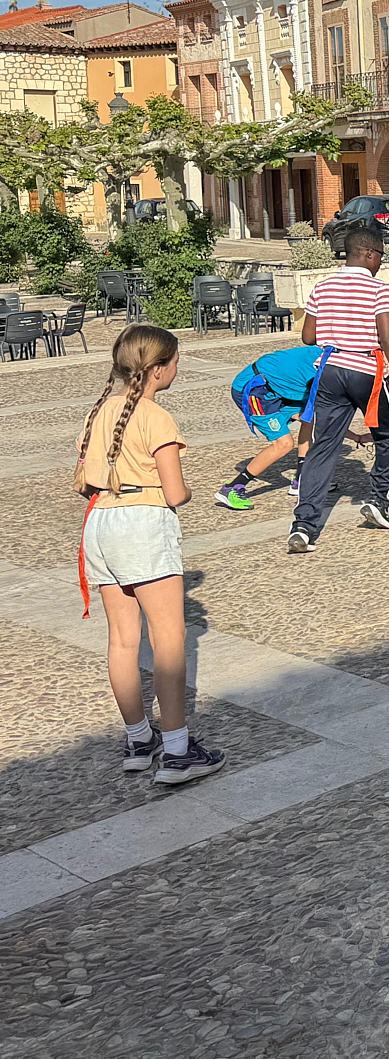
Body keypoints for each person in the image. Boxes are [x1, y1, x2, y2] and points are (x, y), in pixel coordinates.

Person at [74, 324, 225, 786]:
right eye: (176, 362)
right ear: (158, 369)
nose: (177, 369)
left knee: (122, 640)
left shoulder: (100, 410)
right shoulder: (156, 417)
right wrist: (186, 490)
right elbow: (175, 492)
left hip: (101, 523)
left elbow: (84, 480)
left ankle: (139, 739)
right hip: (143, 522)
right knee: (168, 639)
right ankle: (178, 750)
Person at [287, 229, 389, 553]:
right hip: (367, 372)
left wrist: (337, 330)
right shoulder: (379, 289)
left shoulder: (322, 287)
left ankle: (303, 526)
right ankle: (378, 501)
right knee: (388, 436)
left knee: (323, 447)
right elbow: (387, 337)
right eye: (381, 256)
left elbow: (308, 337)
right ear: (369, 253)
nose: (381, 262)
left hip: (329, 372)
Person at [217, 344, 369, 509]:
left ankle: (301, 479)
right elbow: (327, 420)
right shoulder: (328, 374)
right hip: (255, 389)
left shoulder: (333, 359)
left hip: (279, 388)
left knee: (309, 417)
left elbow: (321, 418)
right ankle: (232, 487)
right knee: (283, 444)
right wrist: (357, 437)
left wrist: (357, 437)